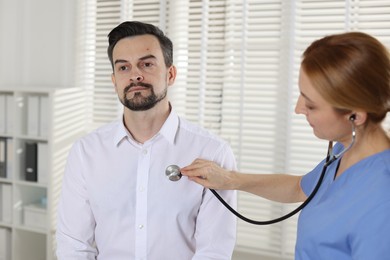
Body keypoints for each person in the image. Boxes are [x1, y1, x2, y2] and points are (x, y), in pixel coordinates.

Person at [181, 31, 390, 260]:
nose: (298, 109)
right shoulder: (347, 149)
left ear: (355, 116)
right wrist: (230, 179)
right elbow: (301, 188)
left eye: (311, 105)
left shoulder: (381, 198)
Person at [56, 21, 237, 260]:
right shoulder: (86, 152)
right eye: (123, 68)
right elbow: (74, 245)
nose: (135, 75)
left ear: (170, 74)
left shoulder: (213, 152)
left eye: (147, 64)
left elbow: (214, 251)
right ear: (114, 80)